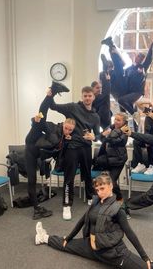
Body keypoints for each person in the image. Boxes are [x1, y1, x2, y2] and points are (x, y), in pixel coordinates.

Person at [34, 172, 153, 269]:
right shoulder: (96, 202)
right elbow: (82, 220)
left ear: (111, 186)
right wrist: (69, 237)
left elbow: (130, 233)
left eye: (103, 188)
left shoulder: (117, 209)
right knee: (65, 245)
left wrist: (145, 256)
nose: (100, 192)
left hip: (113, 252)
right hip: (92, 247)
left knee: (149, 268)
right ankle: (44, 237)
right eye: (97, 189)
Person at [48, 86, 100, 220]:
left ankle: (90, 197)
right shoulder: (72, 107)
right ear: (82, 96)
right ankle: (66, 205)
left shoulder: (95, 116)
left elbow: (98, 135)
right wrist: (51, 94)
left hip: (86, 148)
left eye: (90, 96)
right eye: (85, 96)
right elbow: (53, 106)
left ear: (93, 97)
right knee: (69, 177)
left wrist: (94, 137)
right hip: (72, 148)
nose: (87, 98)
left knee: (87, 174)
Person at [25, 81, 75, 220]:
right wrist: (35, 121)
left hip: (36, 150)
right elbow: (41, 124)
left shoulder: (64, 139)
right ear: (63, 125)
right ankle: (52, 91)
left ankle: (36, 209)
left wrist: (65, 143)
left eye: (70, 130)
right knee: (40, 119)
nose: (67, 131)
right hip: (32, 141)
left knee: (32, 180)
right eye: (66, 128)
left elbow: (59, 154)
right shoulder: (55, 127)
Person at [101, 33, 153, 116]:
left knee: (121, 101)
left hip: (137, 93)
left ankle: (134, 114)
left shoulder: (143, 67)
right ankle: (110, 45)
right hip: (126, 91)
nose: (139, 58)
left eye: (142, 58)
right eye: (138, 56)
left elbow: (150, 57)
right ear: (135, 57)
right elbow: (120, 69)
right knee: (116, 72)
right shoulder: (130, 68)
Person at [95, 112, 128, 201]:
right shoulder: (111, 127)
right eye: (115, 119)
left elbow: (115, 141)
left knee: (112, 181)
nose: (116, 122)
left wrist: (107, 135)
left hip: (118, 160)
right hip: (108, 159)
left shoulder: (126, 131)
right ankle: (107, 199)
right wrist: (104, 135)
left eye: (119, 120)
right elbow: (102, 138)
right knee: (105, 181)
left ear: (124, 122)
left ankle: (120, 198)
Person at [131, 95, 153, 174]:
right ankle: (141, 164)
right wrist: (148, 102)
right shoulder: (150, 110)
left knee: (149, 142)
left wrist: (152, 116)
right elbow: (138, 104)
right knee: (136, 142)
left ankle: (152, 166)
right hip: (148, 136)